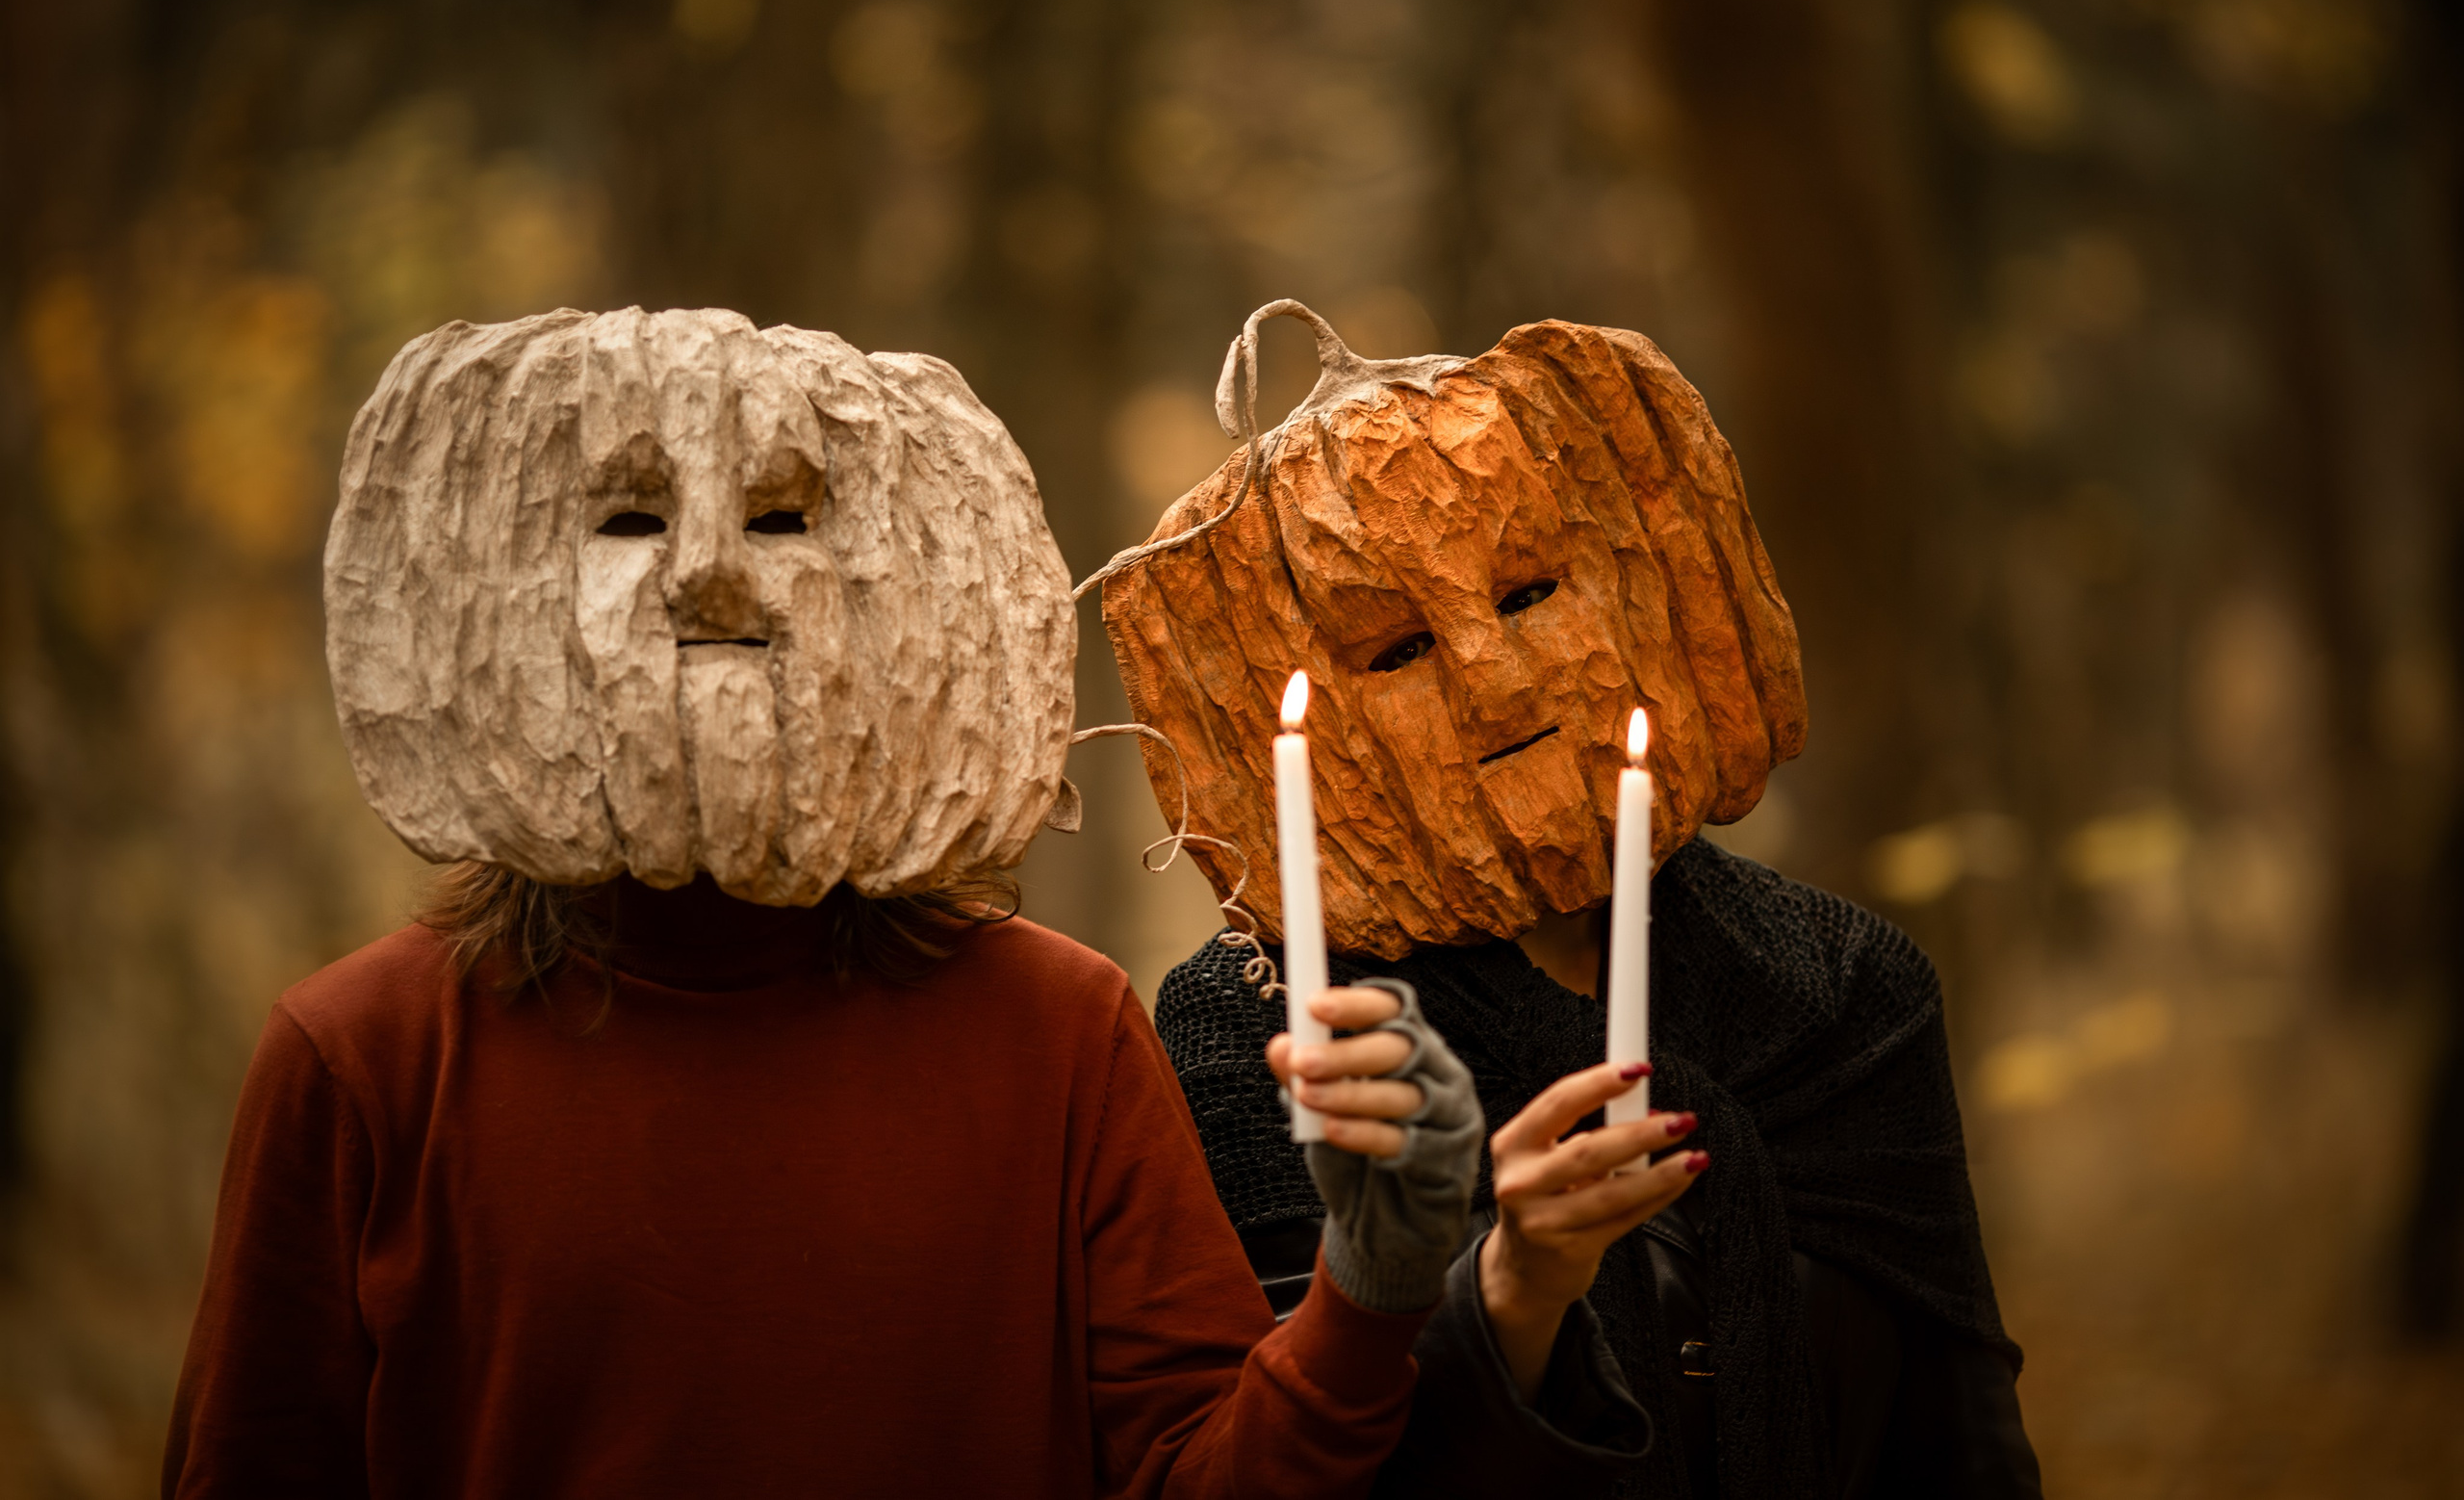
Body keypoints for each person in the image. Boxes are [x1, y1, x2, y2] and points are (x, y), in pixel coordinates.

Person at [163, 306, 1486, 1500]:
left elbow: (1193, 1474)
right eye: (627, 520)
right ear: (507, 590)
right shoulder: (364, 1058)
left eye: (783, 521)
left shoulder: (1057, 1036)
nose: (709, 576)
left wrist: (1368, 1291)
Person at [1099, 303, 2044, 1498]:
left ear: (1643, 577)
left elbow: (1959, 1448)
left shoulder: (1844, 988)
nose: (1494, 684)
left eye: (1529, 592)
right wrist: (1505, 1292)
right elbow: (1276, 1467)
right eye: (1396, 652)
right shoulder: (1264, 1039)